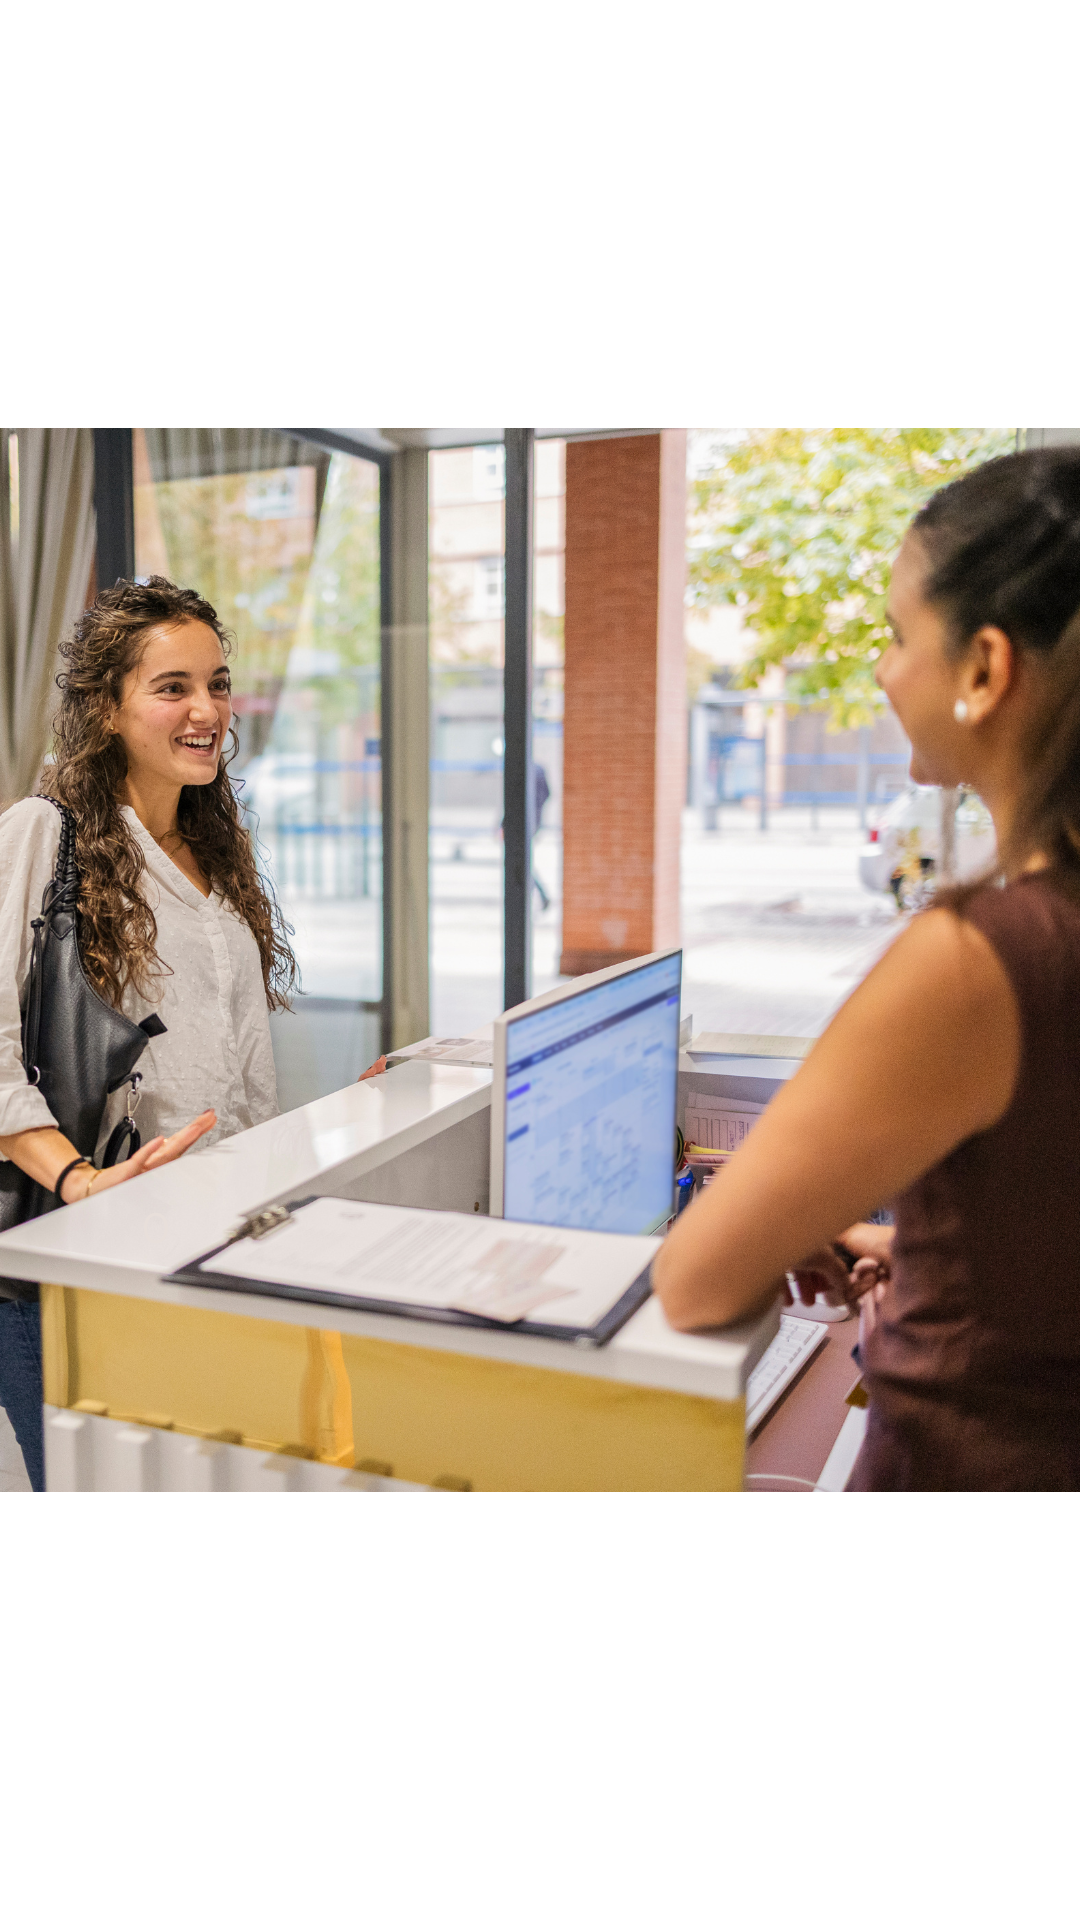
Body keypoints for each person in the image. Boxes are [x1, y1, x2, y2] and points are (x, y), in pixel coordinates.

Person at [654, 447, 1080, 1492]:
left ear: (985, 668)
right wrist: (940, 1259)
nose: (885, 671)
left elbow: (696, 1283)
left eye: (898, 636)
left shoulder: (978, 956)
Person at [0, 577, 296, 1489]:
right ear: (107, 710)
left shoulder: (215, 847)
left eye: (216, 681)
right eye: (172, 687)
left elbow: (231, 1065)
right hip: (77, 1256)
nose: (206, 708)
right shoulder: (42, 836)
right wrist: (80, 1178)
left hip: (208, 1248)